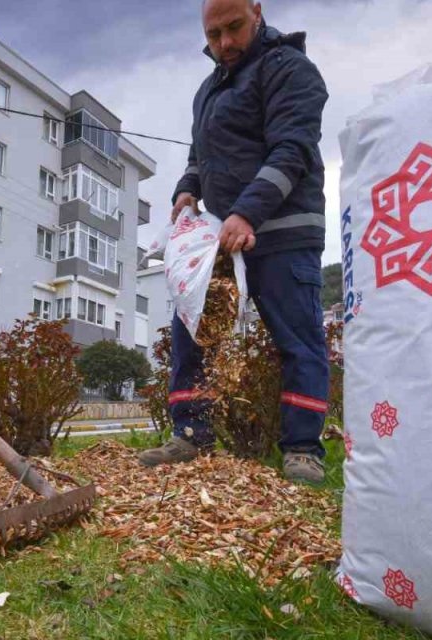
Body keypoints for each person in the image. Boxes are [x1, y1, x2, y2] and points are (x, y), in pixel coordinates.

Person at [138, 0, 331, 484]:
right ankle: (191, 434)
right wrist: (187, 189)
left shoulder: (290, 68)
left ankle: (303, 448)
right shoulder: (208, 90)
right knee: (192, 329)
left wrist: (248, 211)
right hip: (220, 238)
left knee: (298, 339)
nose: (224, 43)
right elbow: (199, 153)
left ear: (257, 12)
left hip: (284, 231)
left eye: (234, 28)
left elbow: (293, 149)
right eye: (213, 33)